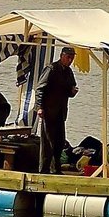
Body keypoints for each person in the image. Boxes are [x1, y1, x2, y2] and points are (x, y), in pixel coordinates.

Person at [35, 46, 79, 174]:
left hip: (61, 111)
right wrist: (39, 107)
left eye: (72, 58)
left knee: (60, 141)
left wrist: (73, 92)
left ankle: (56, 168)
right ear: (61, 56)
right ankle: (43, 169)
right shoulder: (51, 69)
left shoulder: (69, 72)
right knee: (48, 141)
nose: (70, 60)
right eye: (68, 57)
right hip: (48, 111)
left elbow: (70, 89)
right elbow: (40, 89)